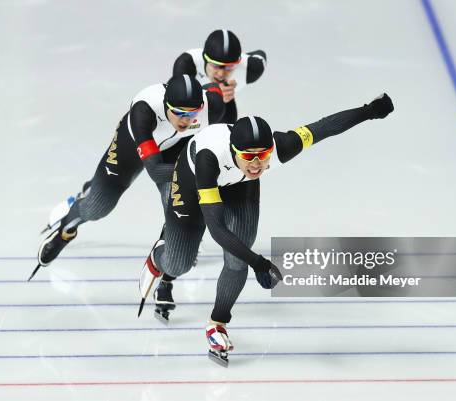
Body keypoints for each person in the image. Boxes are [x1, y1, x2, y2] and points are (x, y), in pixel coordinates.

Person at [138, 93, 394, 366]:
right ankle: (159, 261)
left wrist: (368, 111)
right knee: (179, 263)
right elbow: (216, 228)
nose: (258, 163)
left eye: (263, 155)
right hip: (193, 183)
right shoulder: (209, 158)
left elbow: (323, 128)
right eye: (249, 156)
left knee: (237, 260)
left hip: (239, 184)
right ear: (235, 151)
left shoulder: (279, 146)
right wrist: (259, 263)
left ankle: (217, 324)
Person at [29, 75, 225, 281]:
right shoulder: (144, 112)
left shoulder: (212, 107)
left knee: (177, 204)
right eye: (178, 113)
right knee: (97, 207)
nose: (186, 119)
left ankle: (167, 257)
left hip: (174, 149)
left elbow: (213, 89)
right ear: (166, 105)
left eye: (193, 113)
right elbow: (156, 170)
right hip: (132, 146)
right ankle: (65, 230)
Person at [173, 29, 266, 123]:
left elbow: (260, 54)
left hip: (225, 106)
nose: (221, 74)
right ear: (205, 59)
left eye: (230, 66)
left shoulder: (251, 68)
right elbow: (173, 101)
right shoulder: (187, 63)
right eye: (215, 65)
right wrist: (213, 93)